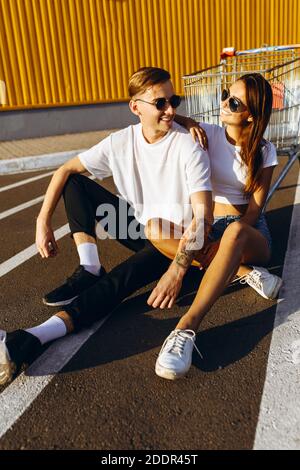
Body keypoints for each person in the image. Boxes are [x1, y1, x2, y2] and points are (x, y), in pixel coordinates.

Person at [0, 67, 212, 385]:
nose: (170, 110)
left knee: (118, 282)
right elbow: (64, 170)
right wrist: (42, 221)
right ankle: (89, 267)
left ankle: (30, 339)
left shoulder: (187, 147)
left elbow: (203, 216)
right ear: (135, 106)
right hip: (142, 229)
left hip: (175, 242)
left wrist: (177, 270)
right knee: (74, 182)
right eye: (161, 103)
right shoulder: (119, 142)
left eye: (174, 100)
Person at [147, 73, 283, 380]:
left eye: (233, 102)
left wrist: (213, 238)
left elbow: (254, 212)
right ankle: (243, 273)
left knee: (233, 232)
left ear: (250, 114)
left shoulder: (264, 151)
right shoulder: (205, 133)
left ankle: (185, 329)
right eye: (224, 94)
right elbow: (163, 117)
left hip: (250, 232)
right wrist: (190, 122)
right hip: (213, 226)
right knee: (153, 228)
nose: (223, 103)